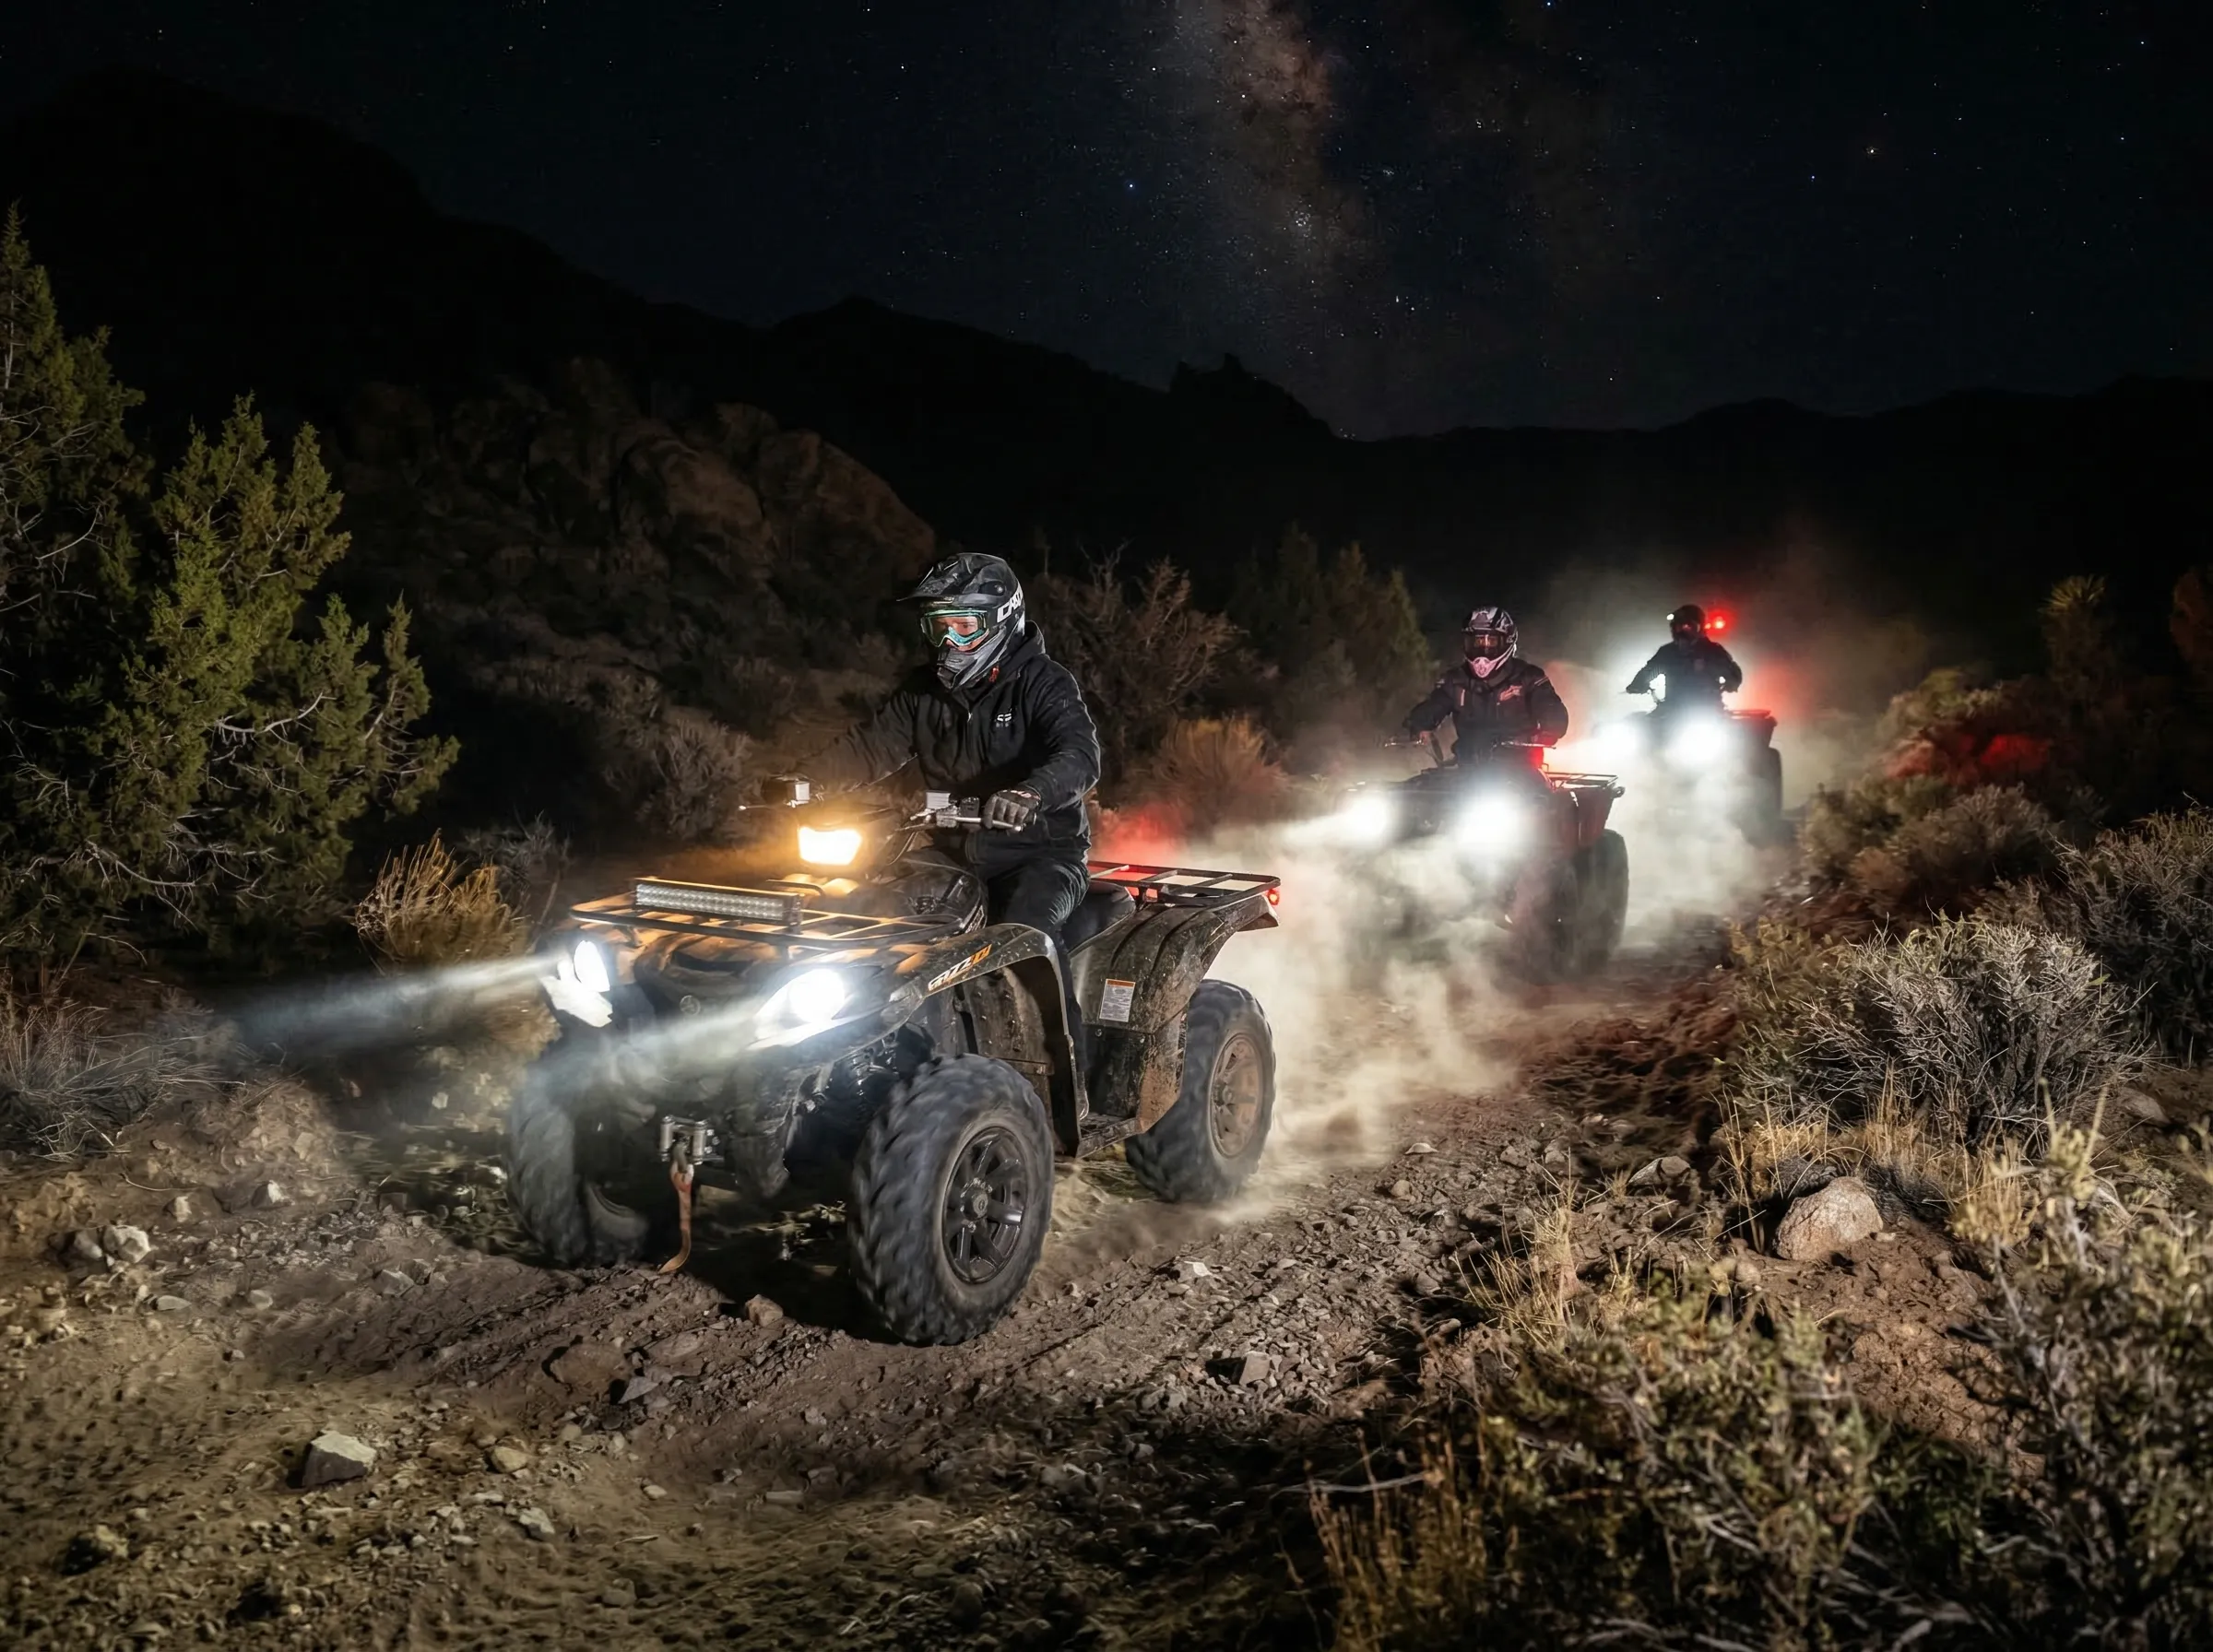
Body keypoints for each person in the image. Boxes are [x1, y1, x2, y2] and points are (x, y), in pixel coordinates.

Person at [803, 550, 1102, 1046]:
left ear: (1002, 620)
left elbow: (1079, 753)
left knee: (1025, 939)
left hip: (1040, 853)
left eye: (962, 626)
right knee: (862, 914)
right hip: (948, 850)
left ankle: (1067, 1073)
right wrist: (803, 781)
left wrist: (1031, 792)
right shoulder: (922, 691)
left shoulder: (1043, 683)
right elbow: (869, 746)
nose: (948, 643)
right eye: (937, 627)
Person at [1401, 605, 1568, 760]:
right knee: (1411, 789)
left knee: (1540, 792)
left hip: (1522, 769)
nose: (1482, 653)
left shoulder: (1529, 677)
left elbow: (1552, 709)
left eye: (1490, 643)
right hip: (1467, 769)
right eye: (1475, 643)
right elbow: (1435, 705)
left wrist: (1550, 727)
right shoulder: (1455, 680)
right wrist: (1419, 724)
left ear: (1508, 641)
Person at [1627, 604, 1743, 711]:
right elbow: (1650, 669)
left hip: (1707, 709)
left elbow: (1732, 671)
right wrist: (1638, 684)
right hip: (1673, 709)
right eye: (1679, 626)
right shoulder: (1667, 652)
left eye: (1688, 626)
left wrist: (1732, 682)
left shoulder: (1713, 651)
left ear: (1699, 628)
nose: (1682, 631)